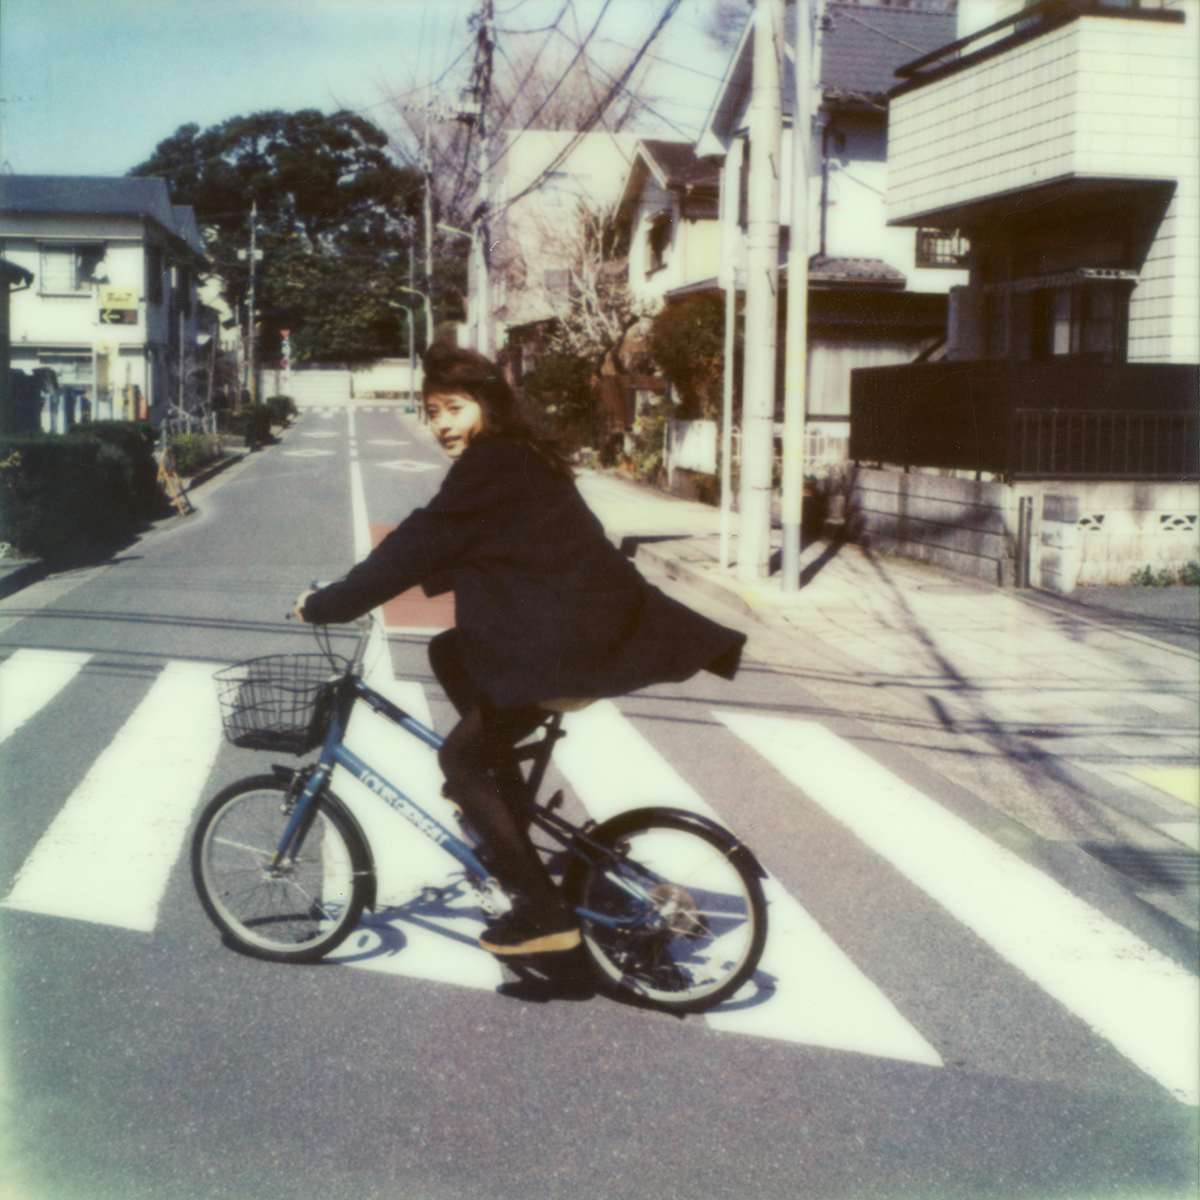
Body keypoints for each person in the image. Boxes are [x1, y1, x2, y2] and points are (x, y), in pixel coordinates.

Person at [294, 342, 746, 957]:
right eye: (432, 412)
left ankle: (543, 913)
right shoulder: (520, 456)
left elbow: (419, 541)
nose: (441, 424)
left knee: (459, 763)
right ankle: (504, 798)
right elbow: (486, 543)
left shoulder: (493, 463)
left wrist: (329, 603)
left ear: (489, 405)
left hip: (566, 650)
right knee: (449, 652)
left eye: (454, 408)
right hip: (581, 637)